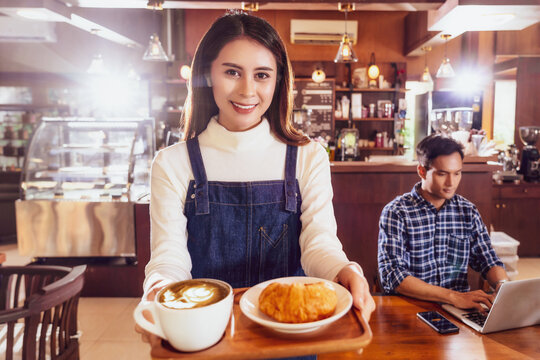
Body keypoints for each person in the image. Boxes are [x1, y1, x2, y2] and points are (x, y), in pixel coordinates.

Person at [138, 10, 375, 351]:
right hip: (205, 334)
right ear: (207, 74)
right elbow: (169, 257)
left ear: (278, 81)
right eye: (232, 72)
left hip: (288, 335)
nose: (248, 90)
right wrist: (158, 287)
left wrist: (345, 269)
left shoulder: (308, 156)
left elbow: (318, 243)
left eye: (262, 75)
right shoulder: (172, 163)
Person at [378, 134, 509, 311]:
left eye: (457, 174)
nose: (451, 182)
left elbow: (487, 259)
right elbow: (392, 275)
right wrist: (453, 297)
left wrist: (503, 286)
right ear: (422, 171)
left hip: (459, 311)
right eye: (442, 174)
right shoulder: (397, 212)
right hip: (410, 310)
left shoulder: (467, 211)